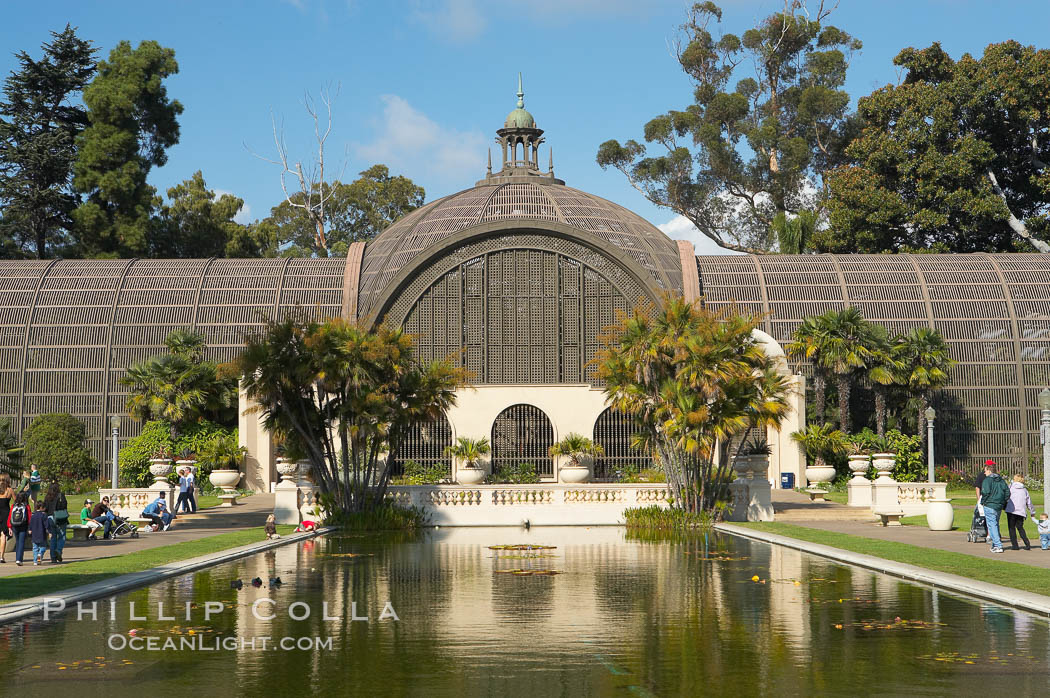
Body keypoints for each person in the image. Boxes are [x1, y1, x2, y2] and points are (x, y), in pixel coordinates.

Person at [979, 461, 1010, 553]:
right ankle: (994, 544)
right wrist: (1003, 501)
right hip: (999, 505)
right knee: (994, 524)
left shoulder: (987, 480)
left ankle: (998, 545)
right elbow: (1007, 492)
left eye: (985, 470)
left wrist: (983, 501)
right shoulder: (1001, 480)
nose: (984, 472)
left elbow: (985, 492)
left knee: (992, 525)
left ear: (988, 470)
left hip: (990, 504)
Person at [1005, 473, 1036, 551]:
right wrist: (1032, 512)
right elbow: (1029, 502)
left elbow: (1006, 496)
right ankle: (1027, 543)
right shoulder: (1024, 490)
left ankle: (1015, 545)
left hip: (1011, 510)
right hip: (1021, 511)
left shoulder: (1010, 487)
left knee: (1011, 528)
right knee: (1020, 527)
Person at [43, 482, 69, 562]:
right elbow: (64, 505)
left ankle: (53, 557)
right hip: (59, 517)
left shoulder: (47, 497)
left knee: (53, 538)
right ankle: (58, 550)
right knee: (62, 536)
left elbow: (45, 508)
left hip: (50, 518)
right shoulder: (60, 495)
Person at [7, 492, 31, 566]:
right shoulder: (27, 506)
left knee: (17, 542)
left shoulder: (13, 506)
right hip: (23, 526)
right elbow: (29, 518)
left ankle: (18, 558)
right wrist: (30, 527)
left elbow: (10, 516)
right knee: (21, 542)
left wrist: (9, 527)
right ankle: (19, 559)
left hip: (14, 526)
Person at [29, 499, 49, 565]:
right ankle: (40, 554)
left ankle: (35, 561)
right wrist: (49, 531)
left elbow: (30, 524)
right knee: (43, 547)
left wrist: (30, 529)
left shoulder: (33, 515)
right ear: (41, 508)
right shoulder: (44, 515)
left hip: (34, 535)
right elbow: (46, 525)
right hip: (42, 534)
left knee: (35, 548)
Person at [0, 473, 13, 563]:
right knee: (3, 535)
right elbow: (16, 501)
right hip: (6, 514)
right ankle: (1, 556)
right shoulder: (9, 490)